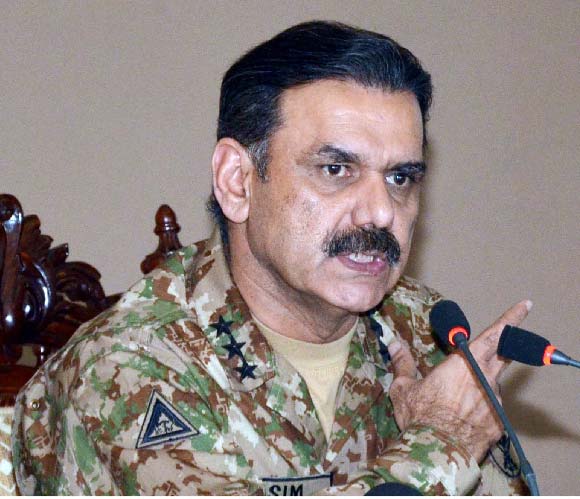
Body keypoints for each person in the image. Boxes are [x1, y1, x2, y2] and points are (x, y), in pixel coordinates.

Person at [12, 21, 531, 495]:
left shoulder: (426, 331)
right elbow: (445, 447)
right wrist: (441, 443)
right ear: (237, 182)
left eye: (400, 178)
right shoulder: (124, 366)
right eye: (336, 170)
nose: (380, 212)